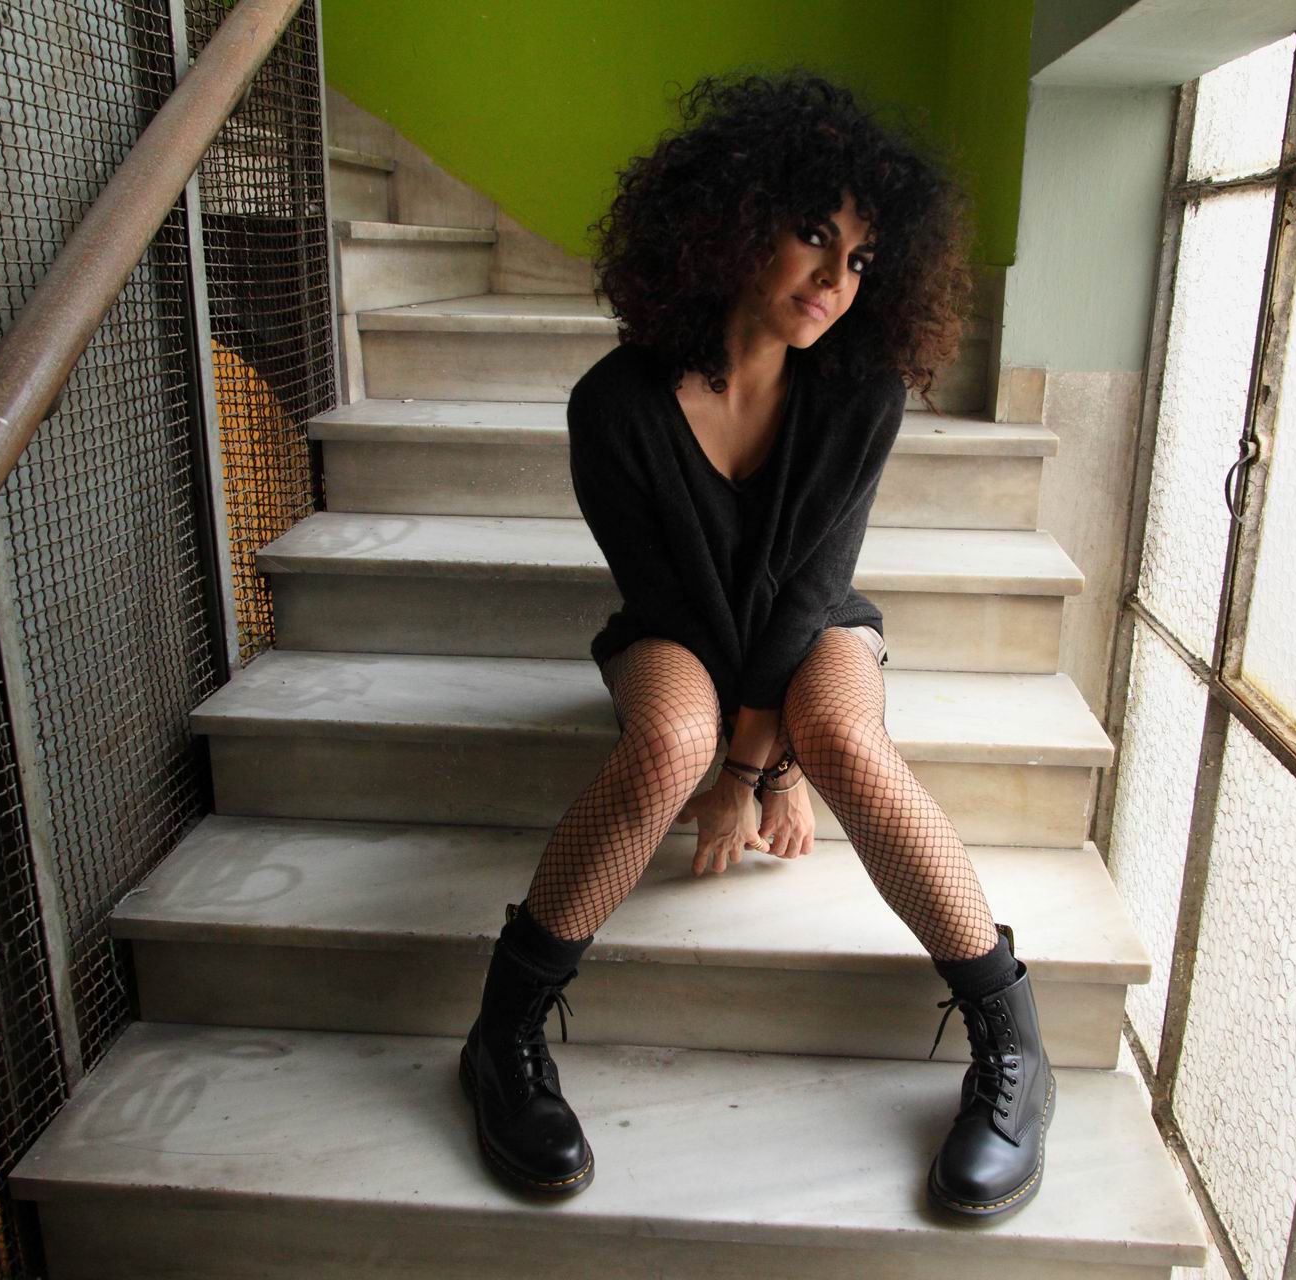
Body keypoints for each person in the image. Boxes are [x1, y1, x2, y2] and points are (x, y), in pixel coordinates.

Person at [457, 67, 1052, 1218]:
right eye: (814, 237)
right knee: (666, 738)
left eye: (863, 258)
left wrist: (765, 763)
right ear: (729, 223)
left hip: (812, 625)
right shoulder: (612, 406)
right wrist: (736, 760)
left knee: (845, 732)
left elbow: (812, 587)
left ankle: (1014, 1045)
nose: (837, 281)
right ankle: (501, 1034)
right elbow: (676, 601)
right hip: (675, 625)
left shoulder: (864, 391)